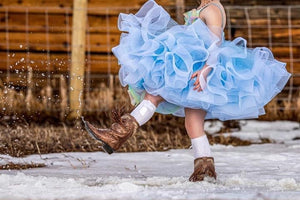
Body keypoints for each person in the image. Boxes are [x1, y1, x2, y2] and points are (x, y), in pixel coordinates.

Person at [83, 0, 291, 182]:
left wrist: (206, 70)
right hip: (191, 68)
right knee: (192, 121)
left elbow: (216, 44)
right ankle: (204, 166)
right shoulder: (204, 7)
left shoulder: (213, 10)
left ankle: (117, 135)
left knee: (154, 95)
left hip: (196, 71)